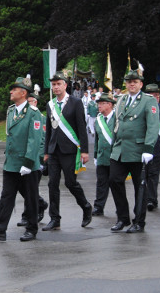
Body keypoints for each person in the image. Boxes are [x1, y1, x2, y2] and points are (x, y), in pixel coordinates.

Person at [0, 76, 43, 242]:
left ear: (23, 93)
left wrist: (29, 162)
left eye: (14, 90)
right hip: (11, 163)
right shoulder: (11, 111)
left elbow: (34, 139)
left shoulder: (33, 114)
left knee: (30, 198)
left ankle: (31, 228)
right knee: (6, 197)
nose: (11, 91)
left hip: (26, 163)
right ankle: (0, 230)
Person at [109, 69, 159, 233]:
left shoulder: (148, 101)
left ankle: (139, 221)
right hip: (120, 149)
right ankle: (123, 217)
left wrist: (148, 148)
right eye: (129, 82)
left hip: (138, 150)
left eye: (135, 82)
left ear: (140, 84)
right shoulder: (122, 100)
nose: (131, 84)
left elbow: (152, 126)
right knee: (114, 180)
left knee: (140, 187)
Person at [42, 72, 92, 231]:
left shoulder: (75, 103)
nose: (56, 87)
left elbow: (81, 127)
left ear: (65, 85)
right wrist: (46, 151)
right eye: (54, 84)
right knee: (52, 184)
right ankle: (54, 218)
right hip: (54, 151)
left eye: (59, 84)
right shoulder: (50, 105)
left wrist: (85, 150)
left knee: (70, 183)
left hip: (70, 150)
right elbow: (49, 130)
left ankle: (85, 206)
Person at [16, 87, 48, 226]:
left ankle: (28, 215)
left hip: (37, 159)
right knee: (22, 187)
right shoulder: (23, 116)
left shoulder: (41, 118)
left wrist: (41, 159)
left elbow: (42, 141)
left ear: (35, 102)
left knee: (30, 188)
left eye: (30, 102)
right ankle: (40, 203)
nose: (28, 104)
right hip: (24, 159)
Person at [92, 92, 117, 216]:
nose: (99, 106)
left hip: (115, 157)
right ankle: (98, 207)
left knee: (116, 184)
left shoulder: (118, 118)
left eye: (102, 103)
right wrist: (96, 155)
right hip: (102, 157)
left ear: (110, 105)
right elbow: (97, 139)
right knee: (101, 183)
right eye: (99, 104)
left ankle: (120, 207)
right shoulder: (98, 120)